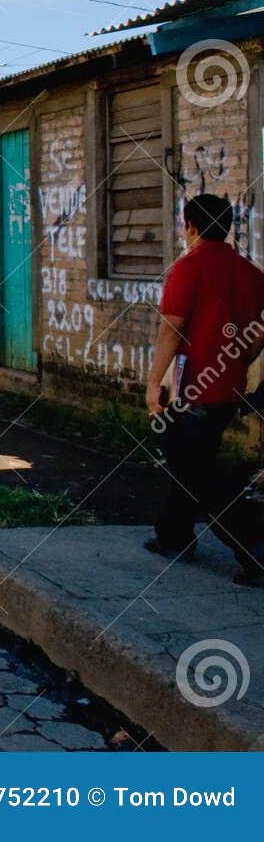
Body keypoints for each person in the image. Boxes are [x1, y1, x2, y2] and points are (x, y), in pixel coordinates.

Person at [144, 193, 264, 586]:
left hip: (191, 391)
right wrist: (241, 360)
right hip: (229, 390)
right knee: (190, 463)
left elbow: (171, 331)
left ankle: (255, 547)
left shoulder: (188, 268)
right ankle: (172, 535)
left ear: (190, 227)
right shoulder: (251, 272)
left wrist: (152, 384)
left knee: (198, 474)